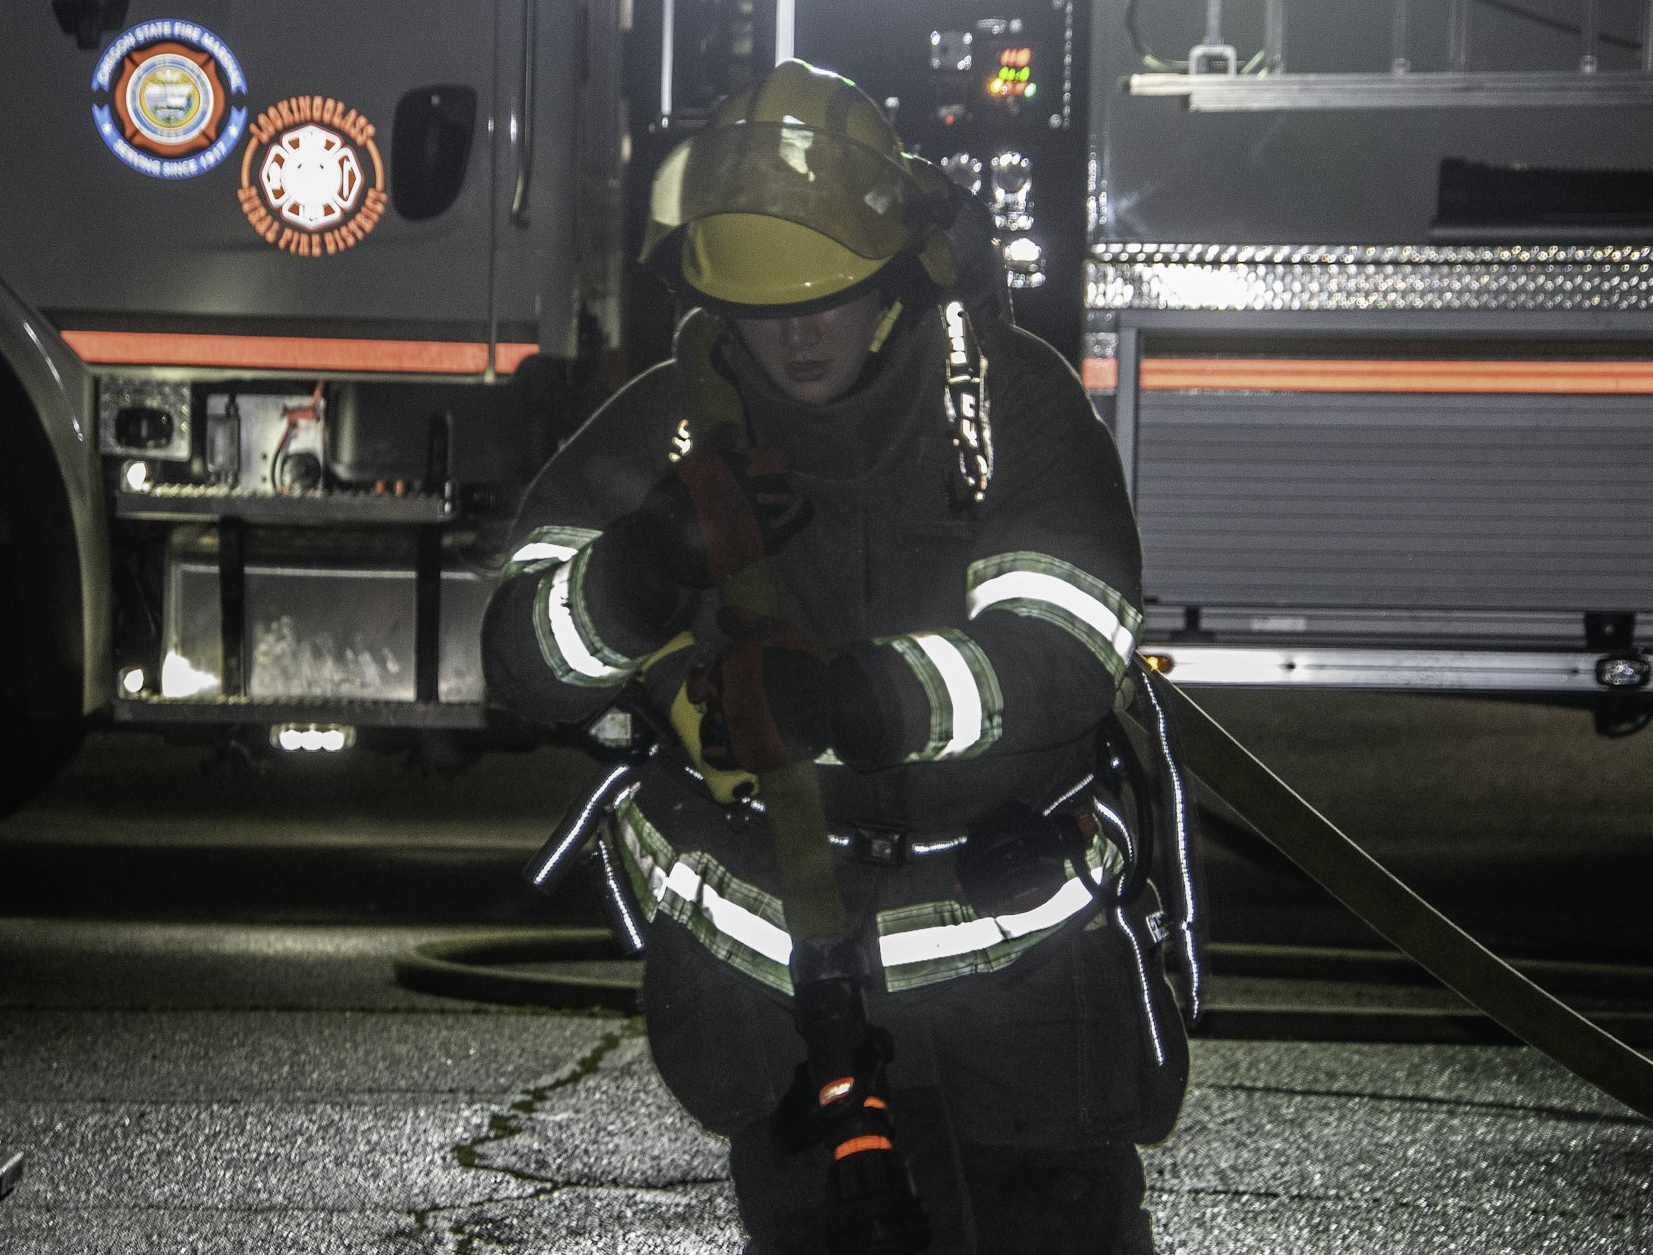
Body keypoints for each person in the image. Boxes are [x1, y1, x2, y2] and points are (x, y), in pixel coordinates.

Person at [483, 60, 1188, 1254]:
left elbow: (1067, 642)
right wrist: (639, 567)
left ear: (900, 269)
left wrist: (848, 700)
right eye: (762, 298)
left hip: (1022, 1004)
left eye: (828, 289)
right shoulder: (669, 422)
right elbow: (519, 655)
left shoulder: (1000, 405)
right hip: (787, 1017)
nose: (796, 330)